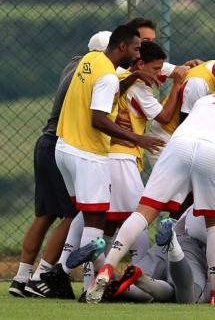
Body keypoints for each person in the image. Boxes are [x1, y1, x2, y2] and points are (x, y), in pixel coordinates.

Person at [87, 78, 215, 305]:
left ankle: (108, 266)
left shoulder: (207, 99)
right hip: (214, 150)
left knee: (145, 210)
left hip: (179, 143)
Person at [54, 24, 165, 299]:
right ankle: (91, 286)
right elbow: (99, 119)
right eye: (137, 49)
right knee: (96, 220)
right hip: (87, 152)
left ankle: (59, 275)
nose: (139, 55)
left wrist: (133, 76)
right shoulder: (107, 75)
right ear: (122, 47)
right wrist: (137, 139)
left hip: (64, 147)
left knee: (85, 215)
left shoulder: (92, 60)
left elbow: (110, 88)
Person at [9, 31, 111, 299]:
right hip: (64, 145)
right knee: (73, 213)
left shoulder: (73, 65)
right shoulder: (96, 73)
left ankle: (20, 278)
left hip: (45, 143)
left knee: (44, 215)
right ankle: (43, 276)